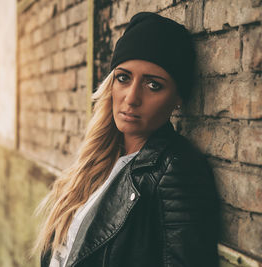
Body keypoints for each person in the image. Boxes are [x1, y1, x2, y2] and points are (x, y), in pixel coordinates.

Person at [34, 12, 219, 267]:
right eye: (123, 78)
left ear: (178, 99)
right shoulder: (98, 159)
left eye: (153, 85)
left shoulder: (177, 170)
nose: (131, 98)